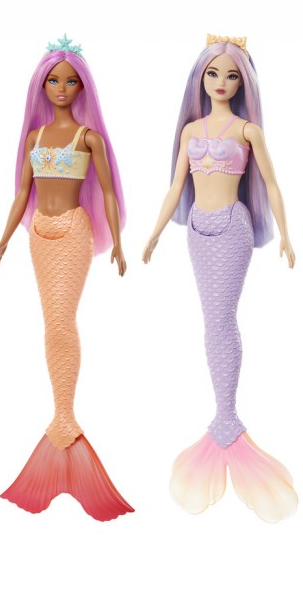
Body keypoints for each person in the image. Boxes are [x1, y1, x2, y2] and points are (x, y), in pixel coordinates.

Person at [143, 35, 297, 522]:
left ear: (243, 82)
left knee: (221, 317)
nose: (222, 83)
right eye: (214, 74)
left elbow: (271, 183)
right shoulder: (191, 130)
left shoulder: (249, 131)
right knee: (211, 319)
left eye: (232, 76)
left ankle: (226, 415)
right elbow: (176, 187)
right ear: (201, 78)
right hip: (198, 230)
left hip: (232, 226)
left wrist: (286, 235)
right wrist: (154, 233)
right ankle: (224, 414)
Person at [0, 35, 133, 520]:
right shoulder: (34, 139)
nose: (61, 88)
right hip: (39, 234)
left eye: (70, 82)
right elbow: (21, 194)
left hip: (74, 230)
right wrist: (3, 239)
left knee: (60, 320)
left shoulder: (89, 139)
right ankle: (61, 414)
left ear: (82, 87)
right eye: (53, 80)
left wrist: (118, 242)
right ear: (42, 86)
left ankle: (64, 417)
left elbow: (109, 193)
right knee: (49, 320)